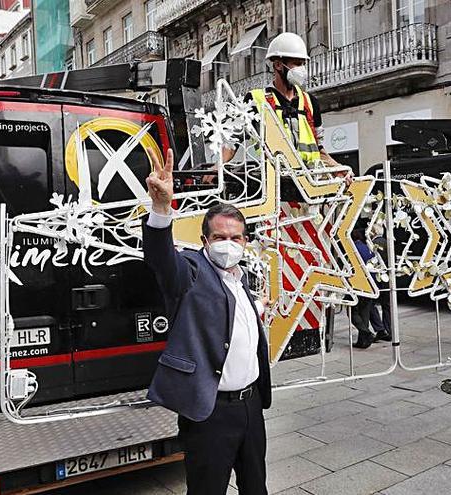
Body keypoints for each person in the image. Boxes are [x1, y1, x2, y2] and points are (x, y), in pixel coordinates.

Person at [144, 149, 272, 495]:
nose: (227, 245)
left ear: (246, 242)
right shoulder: (192, 271)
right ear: (204, 241)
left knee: (255, 488)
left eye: (235, 238)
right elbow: (161, 260)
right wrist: (161, 209)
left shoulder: (241, 278)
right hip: (210, 412)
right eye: (219, 238)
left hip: (250, 408)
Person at [213, 32, 350, 185]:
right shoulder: (256, 100)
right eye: (297, 64)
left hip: (309, 184)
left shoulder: (310, 102)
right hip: (274, 186)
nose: (302, 69)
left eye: (303, 64)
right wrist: (218, 165)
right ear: (278, 65)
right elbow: (232, 141)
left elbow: (319, 151)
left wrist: (337, 167)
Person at [351, 227, 377, 349]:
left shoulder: (353, 248)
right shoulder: (368, 247)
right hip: (371, 283)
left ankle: (367, 333)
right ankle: (363, 341)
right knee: (365, 313)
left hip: (358, 284)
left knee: (353, 313)